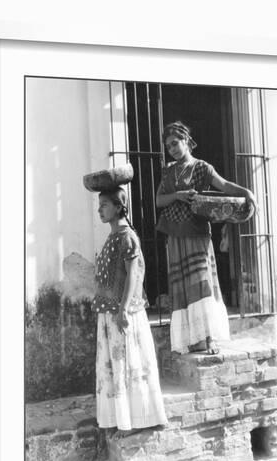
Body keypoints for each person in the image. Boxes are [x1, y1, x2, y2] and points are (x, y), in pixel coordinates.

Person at [156, 121, 257, 355]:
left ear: (186, 142)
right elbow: (159, 201)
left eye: (175, 143)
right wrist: (178, 195)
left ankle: (209, 338)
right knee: (182, 285)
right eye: (168, 146)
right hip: (175, 234)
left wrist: (247, 192)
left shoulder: (201, 167)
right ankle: (192, 339)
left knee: (202, 282)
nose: (171, 149)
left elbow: (224, 186)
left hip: (196, 231)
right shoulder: (168, 171)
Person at [92, 186, 168, 436]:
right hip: (110, 312)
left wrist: (123, 309)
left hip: (123, 313)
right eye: (100, 205)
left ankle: (136, 419)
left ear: (118, 206)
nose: (100, 209)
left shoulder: (127, 236)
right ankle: (120, 417)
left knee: (127, 363)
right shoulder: (113, 236)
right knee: (114, 366)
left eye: (104, 204)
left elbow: (133, 274)